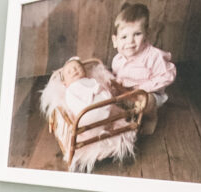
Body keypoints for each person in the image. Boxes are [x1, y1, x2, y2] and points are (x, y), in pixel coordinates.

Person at [110, 3, 176, 135]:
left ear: (147, 34)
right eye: (124, 37)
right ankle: (123, 117)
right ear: (115, 41)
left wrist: (144, 89)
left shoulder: (153, 56)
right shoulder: (118, 59)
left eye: (137, 34)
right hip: (127, 93)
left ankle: (151, 118)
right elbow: (118, 77)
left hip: (150, 94)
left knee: (146, 101)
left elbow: (168, 74)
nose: (130, 42)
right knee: (109, 96)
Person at [60, 58, 114, 128]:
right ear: (65, 83)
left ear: (84, 71)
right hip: (86, 113)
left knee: (105, 95)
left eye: (78, 67)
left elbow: (100, 87)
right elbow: (78, 98)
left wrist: (103, 89)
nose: (74, 70)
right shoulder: (71, 88)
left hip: (103, 106)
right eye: (69, 72)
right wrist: (95, 89)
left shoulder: (90, 80)